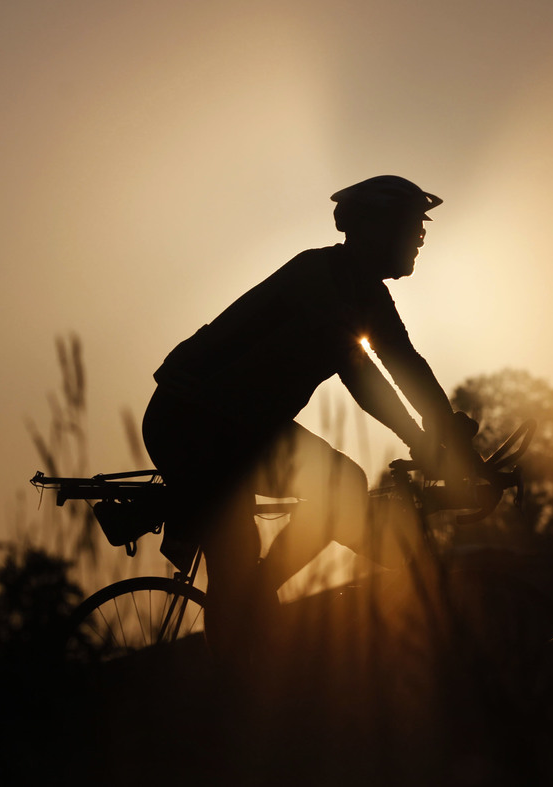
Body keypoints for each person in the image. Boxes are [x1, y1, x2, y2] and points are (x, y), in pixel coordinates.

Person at [141, 175, 478, 657]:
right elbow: (359, 375)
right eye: (411, 230)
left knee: (337, 495)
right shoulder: (319, 277)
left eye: (420, 232)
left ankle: (252, 619)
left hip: (244, 426)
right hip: (192, 421)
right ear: (372, 229)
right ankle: (234, 674)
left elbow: (406, 364)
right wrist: (418, 438)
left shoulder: (368, 293)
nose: (418, 242)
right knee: (274, 535)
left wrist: (449, 436)